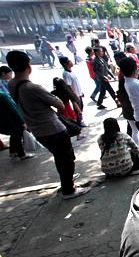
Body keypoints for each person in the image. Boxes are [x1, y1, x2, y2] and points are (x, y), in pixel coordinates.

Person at [7, 51, 89, 199]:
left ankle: (67, 181)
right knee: (66, 158)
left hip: (37, 130)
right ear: (28, 66)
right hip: (53, 128)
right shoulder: (33, 88)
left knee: (59, 157)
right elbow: (59, 105)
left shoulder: (11, 84)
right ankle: (69, 189)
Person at [0, 88, 33, 160]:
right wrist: (22, 122)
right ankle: (22, 154)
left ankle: (12, 152)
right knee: (17, 136)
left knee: (14, 135)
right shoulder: (2, 95)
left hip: (3, 121)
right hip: (11, 120)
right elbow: (13, 109)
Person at [59, 56, 85, 127]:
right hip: (75, 95)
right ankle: (79, 123)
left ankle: (80, 121)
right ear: (65, 64)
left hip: (78, 93)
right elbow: (68, 86)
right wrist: (74, 96)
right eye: (69, 61)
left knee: (81, 108)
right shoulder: (66, 74)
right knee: (78, 110)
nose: (71, 62)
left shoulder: (70, 71)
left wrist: (80, 92)